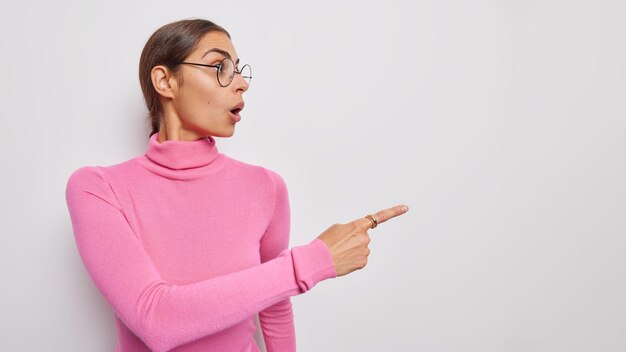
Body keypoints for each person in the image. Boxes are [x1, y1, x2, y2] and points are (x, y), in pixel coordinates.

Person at [65, 18, 409, 352]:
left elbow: (274, 306)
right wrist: (311, 262)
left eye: (239, 70)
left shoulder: (266, 187)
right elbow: (157, 321)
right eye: (220, 67)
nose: (241, 83)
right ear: (165, 81)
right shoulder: (98, 188)